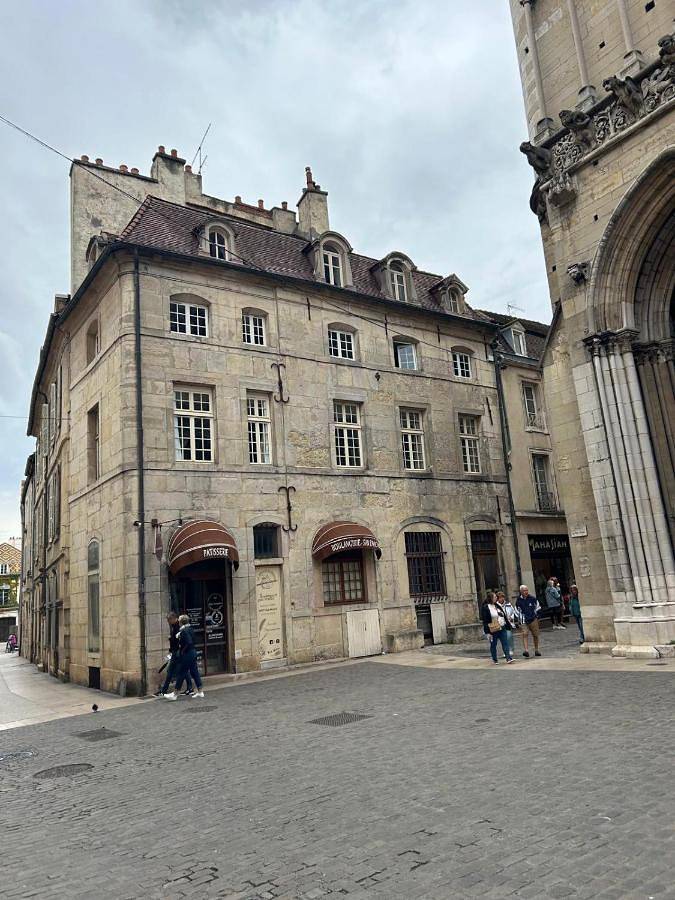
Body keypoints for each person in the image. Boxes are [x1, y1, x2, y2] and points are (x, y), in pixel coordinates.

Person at [164, 614, 204, 700]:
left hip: (188, 653)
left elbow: (189, 642)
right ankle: (200, 691)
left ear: (181, 622)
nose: (178, 622)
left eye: (179, 620)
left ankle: (175, 694)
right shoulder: (190, 629)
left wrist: (182, 651)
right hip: (192, 652)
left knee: (182, 672)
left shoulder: (184, 631)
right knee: (194, 671)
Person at [155, 611, 193, 697]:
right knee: (182, 670)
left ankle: (164, 690)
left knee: (171, 671)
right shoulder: (174, 626)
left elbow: (180, 639)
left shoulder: (178, 626)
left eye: (169, 620)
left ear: (173, 619)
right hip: (176, 651)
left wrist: (172, 642)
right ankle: (190, 688)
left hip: (177, 651)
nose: (168, 622)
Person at [480, 591, 514, 665]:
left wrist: (507, 624)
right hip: (493, 629)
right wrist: (487, 632)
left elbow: (503, 614)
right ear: (490, 598)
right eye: (495, 597)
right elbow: (485, 621)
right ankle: (495, 659)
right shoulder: (486, 607)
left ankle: (508, 658)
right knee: (493, 644)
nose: (496, 598)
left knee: (505, 642)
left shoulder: (497, 605)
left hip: (501, 627)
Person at [516, 584, 541, 658]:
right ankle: (526, 650)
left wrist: (536, 616)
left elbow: (538, 607)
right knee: (525, 634)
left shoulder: (532, 598)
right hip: (524, 620)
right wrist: (520, 618)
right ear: (521, 591)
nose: (526, 592)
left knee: (535, 635)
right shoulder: (518, 601)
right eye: (524, 590)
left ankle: (536, 650)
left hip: (533, 619)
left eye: (527, 590)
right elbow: (517, 611)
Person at [498, 590, 519, 660]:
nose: (501, 599)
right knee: (503, 639)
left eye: (502, 597)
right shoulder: (496, 606)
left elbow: (513, 612)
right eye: (500, 598)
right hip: (501, 624)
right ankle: (506, 652)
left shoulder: (508, 604)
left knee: (509, 637)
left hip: (508, 623)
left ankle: (511, 650)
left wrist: (511, 617)